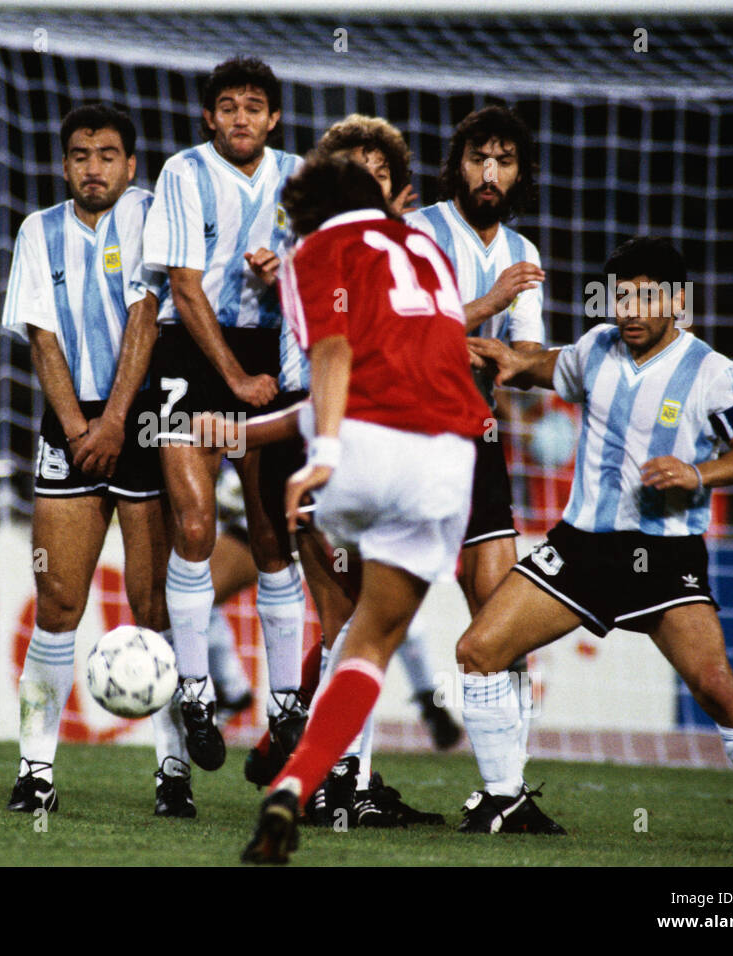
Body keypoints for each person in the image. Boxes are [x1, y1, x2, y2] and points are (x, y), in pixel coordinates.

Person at [455, 237, 733, 847]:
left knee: (715, 687)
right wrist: (511, 360)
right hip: (580, 549)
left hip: (665, 556)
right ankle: (505, 798)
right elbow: (550, 367)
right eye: (620, 296)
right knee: (478, 649)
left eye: (645, 296)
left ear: (677, 302)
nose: (629, 310)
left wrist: (697, 474)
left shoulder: (712, 371)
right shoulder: (595, 350)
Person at [241, 155, 491, 863]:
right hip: (449, 458)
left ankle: (281, 746)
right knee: (370, 641)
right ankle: (294, 781)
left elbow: (332, 350)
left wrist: (323, 454)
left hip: (362, 447)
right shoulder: (427, 248)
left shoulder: (318, 249)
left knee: (337, 609)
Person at [1, 104, 194, 817]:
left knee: (152, 607)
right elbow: (41, 335)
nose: (93, 167)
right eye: (80, 155)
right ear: (63, 165)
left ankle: (172, 773)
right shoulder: (37, 231)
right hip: (70, 427)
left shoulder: (151, 215)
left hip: (142, 423)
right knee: (58, 604)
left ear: (131, 165)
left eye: (108, 155)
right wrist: (80, 426)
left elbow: (147, 316)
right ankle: (35, 772)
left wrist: (114, 421)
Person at [142, 56, 308, 778]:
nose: (241, 117)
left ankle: (284, 706)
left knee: (275, 534)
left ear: (273, 118)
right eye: (228, 106)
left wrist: (286, 278)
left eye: (254, 106)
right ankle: (196, 691)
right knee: (196, 525)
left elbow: (319, 278)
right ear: (209, 116)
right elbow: (182, 281)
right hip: (191, 352)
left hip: (271, 351)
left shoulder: (302, 178)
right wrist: (234, 377)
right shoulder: (182, 173)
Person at [403, 104, 546, 761]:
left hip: (475, 435)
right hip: (402, 435)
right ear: (456, 165)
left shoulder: (523, 255)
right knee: (364, 606)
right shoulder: (416, 230)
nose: (490, 172)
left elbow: (523, 362)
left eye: (504, 161)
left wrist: (467, 341)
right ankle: (338, 773)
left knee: (497, 612)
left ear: (520, 175)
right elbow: (399, 334)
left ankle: (504, 785)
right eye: (478, 158)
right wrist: (480, 311)